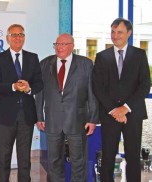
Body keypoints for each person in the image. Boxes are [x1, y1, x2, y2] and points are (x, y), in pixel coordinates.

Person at [92, 18, 151, 182]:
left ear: (129, 33)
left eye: (119, 32)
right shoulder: (102, 57)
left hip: (133, 113)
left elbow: (144, 85)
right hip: (109, 114)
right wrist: (114, 110)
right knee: (108, 156)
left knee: (133, 156)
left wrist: (125, 108)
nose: (115, 35)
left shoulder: (139, 55)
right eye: (113, 31)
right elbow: (98, 87)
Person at [35, 33, 99, 182]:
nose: (59, 47)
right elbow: (39, 93)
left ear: (72, 46)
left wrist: (93, 119)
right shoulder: (44, 64)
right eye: (57, 44)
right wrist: (39, 116)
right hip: (52, 120)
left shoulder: (86, 64)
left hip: (77, 120)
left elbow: (92, 93)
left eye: (63, 44)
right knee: (54, 162)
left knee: (78, 161)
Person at [0, 24, 43, 182]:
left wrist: (28, 88)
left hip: (26, 115)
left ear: (24, 37)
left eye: (21, 34)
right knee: (4, 157)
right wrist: (13, 86)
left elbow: (39, 84)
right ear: (8, 38)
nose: (18, 38)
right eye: (14, 35)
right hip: (5, 116)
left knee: (25, 157)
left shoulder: (33, 58)